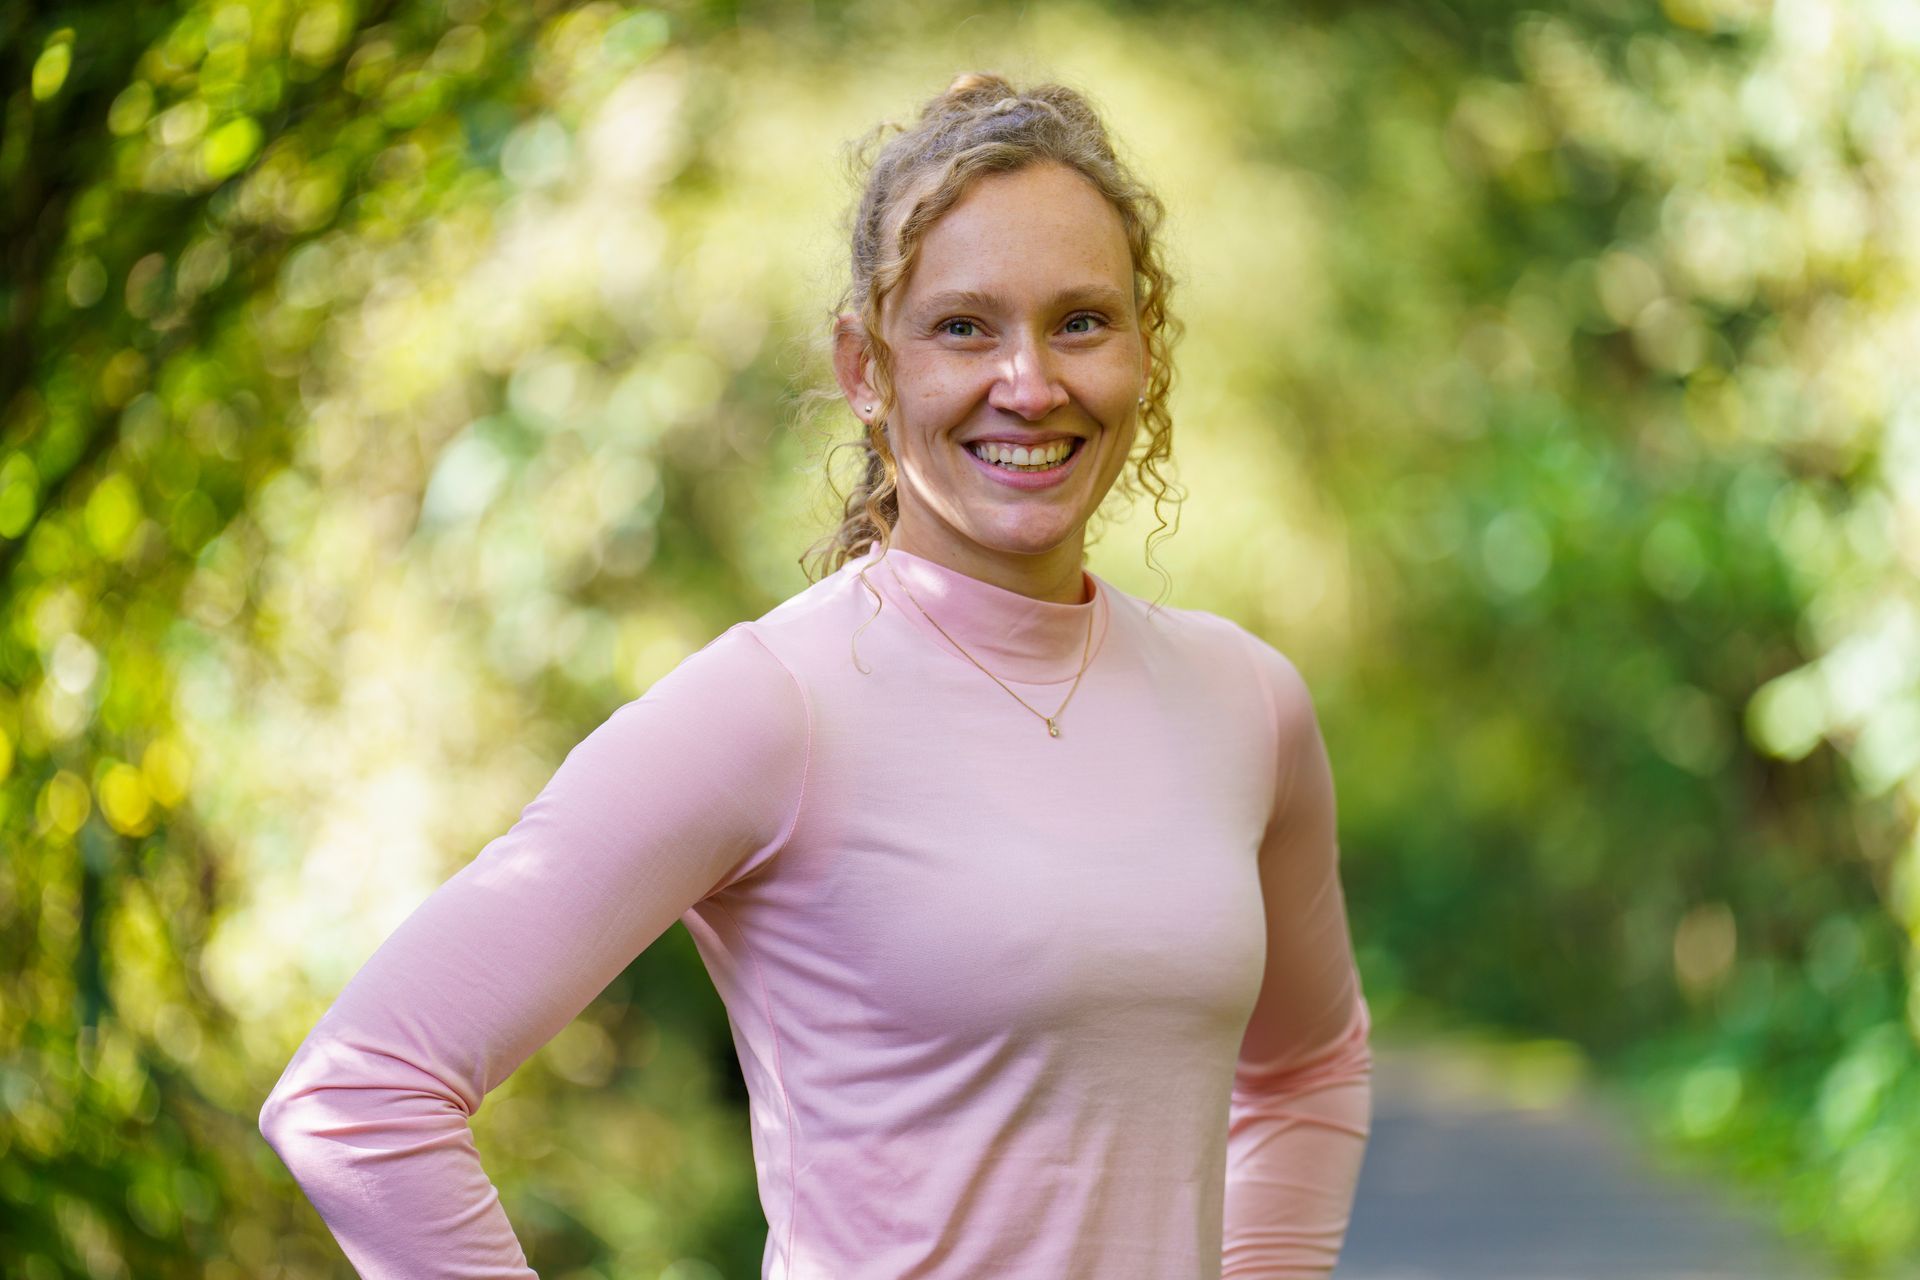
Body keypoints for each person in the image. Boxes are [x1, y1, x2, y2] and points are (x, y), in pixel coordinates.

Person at [258, 71, 1373, 1279]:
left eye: (1082, 321)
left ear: (1144, 349)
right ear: (864, 365)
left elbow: (1308, 1063)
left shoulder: (1244, 700)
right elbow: (359, 1094)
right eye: (963, 325)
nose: (1031, 382)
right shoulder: (771, 707)